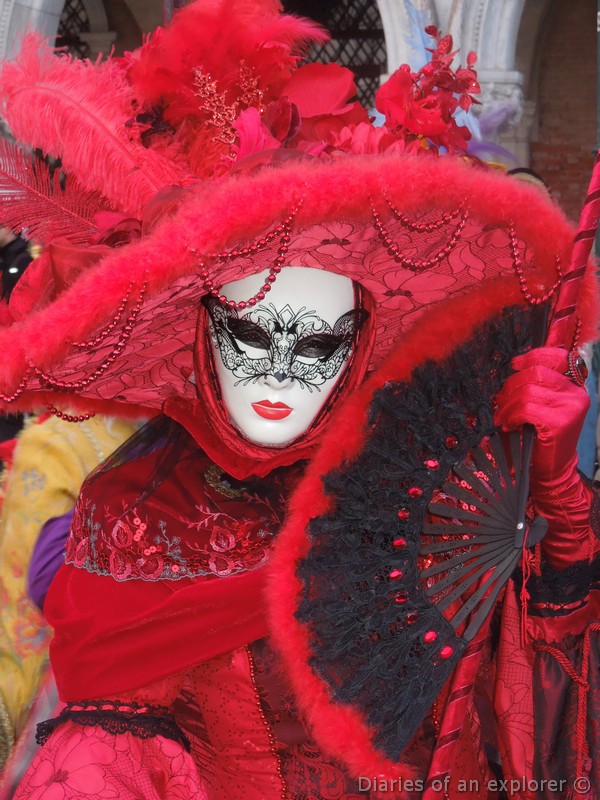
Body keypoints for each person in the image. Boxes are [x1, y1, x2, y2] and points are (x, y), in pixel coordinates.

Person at [0, 2, 597, 798]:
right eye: (251, 336)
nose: (281, 373)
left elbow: (536, 713)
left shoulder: (425, 487)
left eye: (318, 343)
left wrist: (556, 497)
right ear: (201, 333)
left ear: (358, 349)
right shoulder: (138, 517)